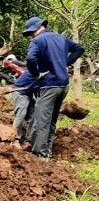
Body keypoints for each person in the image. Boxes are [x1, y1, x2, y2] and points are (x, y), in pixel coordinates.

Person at [22, 17, 84, 159]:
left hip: (49, 85)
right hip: (63, 85)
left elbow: (30, 59)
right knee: (52, 119)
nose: (31, 35)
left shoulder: (37, 41)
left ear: (37, 28)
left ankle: (41, 155)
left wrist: (36, 73)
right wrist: (65, 62)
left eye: (31, 32)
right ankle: (47, 150)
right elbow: (79, 49)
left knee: (41, 119)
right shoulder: (61, 38)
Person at [11, 70, 38, 149]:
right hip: (20, 92)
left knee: (32, 116)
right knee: (20, 115)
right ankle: (14, 140)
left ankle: (29, 140)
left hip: (28, 93)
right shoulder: (41, 68)